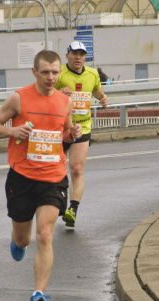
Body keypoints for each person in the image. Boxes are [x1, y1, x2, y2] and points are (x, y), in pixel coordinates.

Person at [0, 50, 82, 301]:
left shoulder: (65, 102)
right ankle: (17, 243)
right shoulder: (19, 98)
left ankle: (38, 294)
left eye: (54, 72)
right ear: (34, 72)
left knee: (45, 234)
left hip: (52, 177)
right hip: (22, 177)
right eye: (45, 72)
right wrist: (11, 130)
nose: (51, 77)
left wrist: (72, 133)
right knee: (24, 238)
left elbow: (64, 134)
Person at [55, 41, 108, 228]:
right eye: (75, 54)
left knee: (76, 169)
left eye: (82, 54)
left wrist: (102, 97)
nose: (78, 57)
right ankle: (56, 200)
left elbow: (96, 90)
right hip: (60, 128)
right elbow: (44, 92)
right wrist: (59, 92)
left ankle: (72, 210)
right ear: (67, 55)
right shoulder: (58, 72)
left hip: (83, 126)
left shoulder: (92, 73)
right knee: (55, 169)